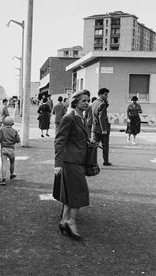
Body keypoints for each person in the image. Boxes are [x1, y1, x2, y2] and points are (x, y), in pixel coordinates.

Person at [54, 90, 91, 241]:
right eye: (84, 101)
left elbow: (76, 138)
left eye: (88, 101)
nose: (87, 103)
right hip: (70, 161)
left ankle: (64, 221)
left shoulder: (80, 117)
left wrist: (88, 142)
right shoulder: (68, 118)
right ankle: (71, 221)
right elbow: (59, 141)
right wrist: (58, 164)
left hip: (78, 160)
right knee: (79, 192)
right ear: (75, 102)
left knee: (71, 194)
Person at [0, 116, 21, 185]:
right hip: (11, 149)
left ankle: (3, 179)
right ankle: (12, 174)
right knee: (12, 163)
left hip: (3, 149)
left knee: (4, 164)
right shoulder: (14, 131)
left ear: (4, 123)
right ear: (12, 123)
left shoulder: (2, 130)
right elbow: (18, 140)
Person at [91, 88, 112, 166]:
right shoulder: (102, 104)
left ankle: (92, 161)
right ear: (100, 94)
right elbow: (101, 117)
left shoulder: (94, 102)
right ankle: (105, 161)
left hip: (95, 127)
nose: (107, 96)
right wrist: (104, 129)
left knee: (94, 146)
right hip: (102, 129)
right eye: (105, 94)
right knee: (105, 146)